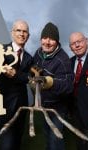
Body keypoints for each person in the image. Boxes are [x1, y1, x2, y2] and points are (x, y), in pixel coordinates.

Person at [31, 22, 74, 150]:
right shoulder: (38, 53)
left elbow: (68, 85)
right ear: (40, 39)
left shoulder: (63, 59)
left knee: (55, 139)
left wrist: (52, 82)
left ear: (57, 41)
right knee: (47, 134)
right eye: (45, 38)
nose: (47, 42)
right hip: (45, 105)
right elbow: (33, 70)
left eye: (52, 39)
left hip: (57, 108)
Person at [0, 19, 33, 150]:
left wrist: (16, 75)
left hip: (22, 108)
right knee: (7, 145)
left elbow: (30, 78)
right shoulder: (0, 50)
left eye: (25, 31)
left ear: (28, 36)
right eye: (18, 30)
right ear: (12, 32)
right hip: (4, 108)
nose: (22, 34)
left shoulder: (29, 58)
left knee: (17, 143)